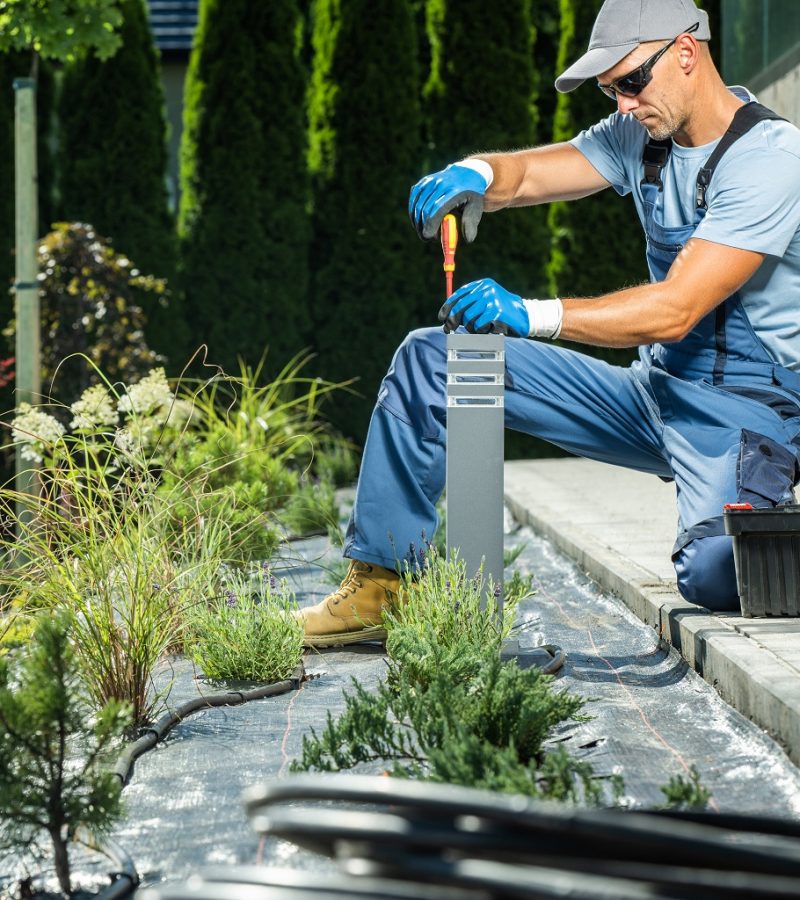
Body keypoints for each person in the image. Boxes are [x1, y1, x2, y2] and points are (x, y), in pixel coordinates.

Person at [299, 0, 800, 647]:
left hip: (743, 415)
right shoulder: (642, 135)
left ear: (685, 52)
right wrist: (476, 174)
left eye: (630, 82)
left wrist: (531, 314)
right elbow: (533, 171)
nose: (621, 104)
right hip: (653, 394)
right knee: (435, 362)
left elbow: (676, 309)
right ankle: (380, 587)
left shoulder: (770, 158)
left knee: (709, 571)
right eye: (610, 89)